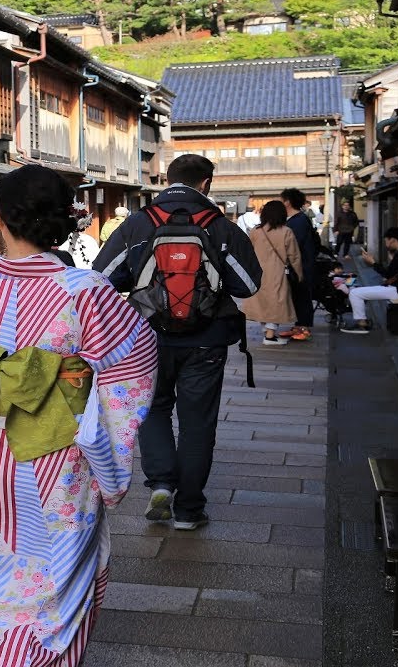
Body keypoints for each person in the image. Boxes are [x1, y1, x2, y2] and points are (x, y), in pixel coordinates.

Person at [0, 164, 157, 666]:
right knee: (58, 573)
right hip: (60, 455)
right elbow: (132, 365)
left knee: (2, 566)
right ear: (61, 220)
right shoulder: (85, 290)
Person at [93, 154, 261, 530]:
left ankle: (161, 484)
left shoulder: (137, 223)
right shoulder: (221, 227)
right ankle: (189, 510)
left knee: (153, 410)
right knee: (197, 422)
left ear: (168, 181)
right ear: (206, 183)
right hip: (207, 341)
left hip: (147, 338)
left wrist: (141, 285)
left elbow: (101, 277)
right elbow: (248, 286)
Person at [341, 227, 398, 334]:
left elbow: (388, 274)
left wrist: (373, 263)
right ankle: (362, 320)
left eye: (386, 241)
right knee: (360, 291)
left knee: (355, 293)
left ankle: (361, 323)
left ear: (392, 240)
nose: (386, 244)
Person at [244, 201, 303, 345]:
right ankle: (269, 336)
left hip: (257, 274)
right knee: (277, 304)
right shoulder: (286, 232)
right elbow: (294, 256)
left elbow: (247, 253)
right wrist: (299, 274)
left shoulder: (255, 231)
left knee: (262, 304)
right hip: (277, 273)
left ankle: (267, 332)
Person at [280, 188, 317, 341]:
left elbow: (295, 245)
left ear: (288, 201)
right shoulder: (296, 219)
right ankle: (298, 326)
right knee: (296, 295)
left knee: (302, 296)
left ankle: (304, 328)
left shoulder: (299, 221)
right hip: (298, 265)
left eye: (282, 200)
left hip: (302, 265)